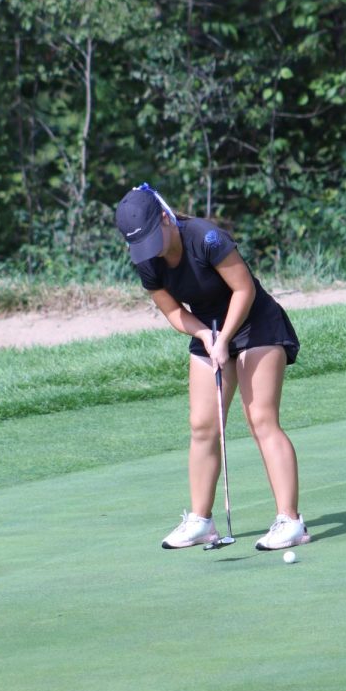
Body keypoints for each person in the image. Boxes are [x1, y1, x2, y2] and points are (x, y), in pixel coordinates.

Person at [114, 182, 309, 552]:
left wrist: (225, 339)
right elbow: (172, 311)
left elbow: (244, 290)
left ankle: (291, 521)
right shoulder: (147, 261)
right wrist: (206, 336)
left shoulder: (206, 238)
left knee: (260, 419)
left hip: (255, 323)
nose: (150, 250)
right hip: (210, 329)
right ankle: (201, 522)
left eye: (155, 237)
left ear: (167, 218)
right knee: (202, 425)